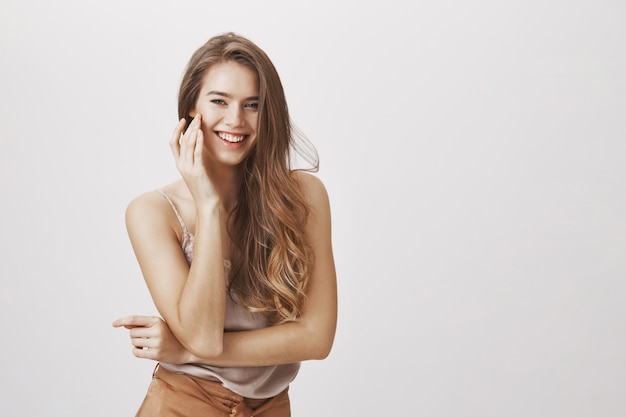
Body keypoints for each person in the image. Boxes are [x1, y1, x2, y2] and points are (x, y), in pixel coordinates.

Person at [112, 32, 337, 417]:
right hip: (183, 403)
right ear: (190, 109)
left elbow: (317, 338)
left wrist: (185, 351)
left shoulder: (304, 196)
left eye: (253, 104)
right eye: (219, 101)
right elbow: (203, 335)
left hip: (271, 407)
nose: (236, 120)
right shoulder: (152, 212)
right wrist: (209, 203)